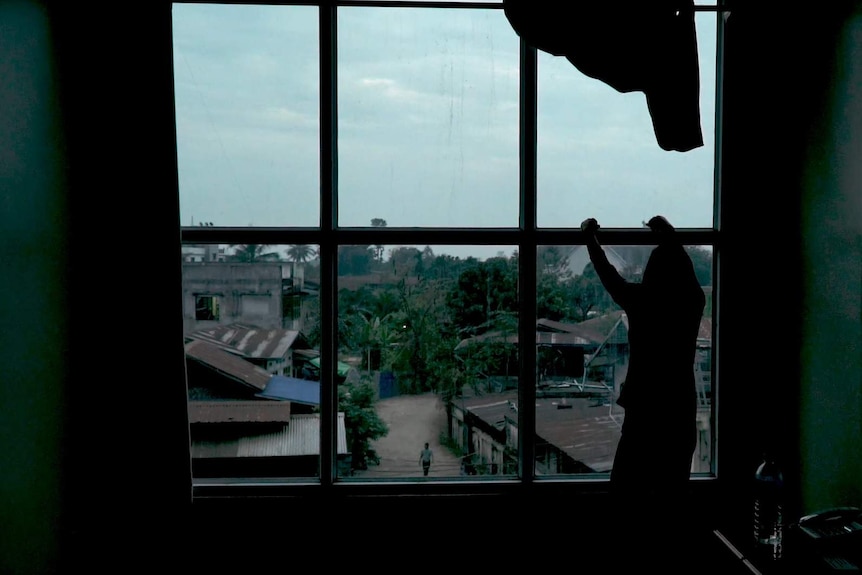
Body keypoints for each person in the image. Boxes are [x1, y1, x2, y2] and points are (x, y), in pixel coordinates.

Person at [580, 215, 706, 560]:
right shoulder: (692, 304)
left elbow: (609, 275)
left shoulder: (642, 303)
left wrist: (591, 238)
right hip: (679, 410)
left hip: (645, 413)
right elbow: (683, 271)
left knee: (625, 496)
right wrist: (669, 236)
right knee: (673, 499)